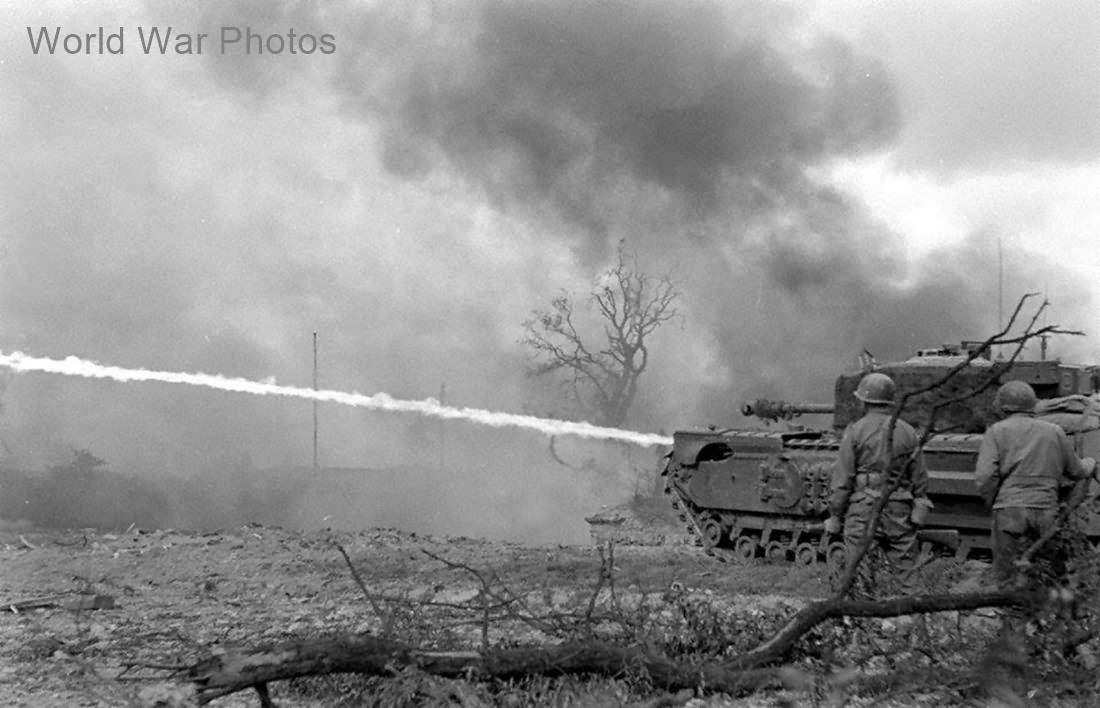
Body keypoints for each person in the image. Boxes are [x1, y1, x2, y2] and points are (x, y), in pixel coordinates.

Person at [975, 380, 1096, 591]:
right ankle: (1053, 616)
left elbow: (985, 476)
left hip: (1009, 510)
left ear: (1003, 406)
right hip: (1046, 509)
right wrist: (1091, 463)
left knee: (1006, 576)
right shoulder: (1055, 431)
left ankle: (1011, 617)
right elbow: (1076, 471)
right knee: (1054, 572)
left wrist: (993, 501)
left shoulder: (996, 431)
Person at [825, 372, 931, 595]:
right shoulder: (908, 431)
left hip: (863, 509)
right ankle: (912, 622)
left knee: (859, 574)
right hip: (899, 509)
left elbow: (843, 481)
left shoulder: (855, 431)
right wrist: (918, 504)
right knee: (908, 576)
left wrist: (835, 515)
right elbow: (919, 478)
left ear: (864, 401)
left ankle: (862, 622)